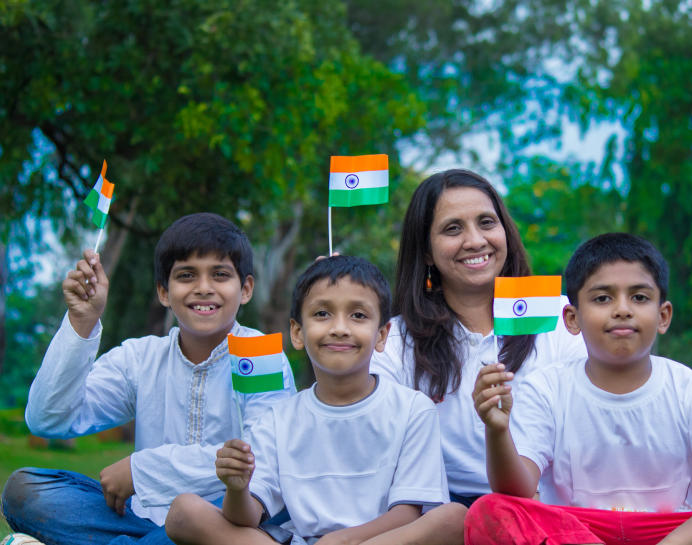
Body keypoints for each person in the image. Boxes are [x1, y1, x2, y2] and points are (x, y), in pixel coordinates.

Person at [466, 233, 692, 545]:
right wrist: (497, 431)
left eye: (638, 297)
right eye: (602, 299)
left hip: (679, 530)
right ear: (572, 319)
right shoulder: (547, 387)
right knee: (489, 512)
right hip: (578, 532)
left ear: (663, 315)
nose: (622, 310)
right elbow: (517, 491)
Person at [1, 213, 297, 545]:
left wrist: (143, 470)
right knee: (26, 490)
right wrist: (81, 322)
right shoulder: (140, 358)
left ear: (245, 289)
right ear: (164, 292)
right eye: (186, 275)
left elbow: (259, 459)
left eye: (219, 274)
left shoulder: (258, 354)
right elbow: (48, 420)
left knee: (203, 522)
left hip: (225, 520)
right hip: (142, 517)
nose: (203, 288)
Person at [364, 169, 586, 545]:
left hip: (548, 516)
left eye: (487, 222)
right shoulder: (394, 341)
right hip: (438, 524)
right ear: (426, 251)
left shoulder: (559, 318)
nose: (475, 240)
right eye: (452, 229)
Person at [164, 255, 448, 545]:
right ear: (298, 333)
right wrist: (237, 488)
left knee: (453, 517)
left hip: (377, 541)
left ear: (382, 334)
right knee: (184, 511)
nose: (340, 327)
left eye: (358, 315)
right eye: (322, 314)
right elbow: (247, 518)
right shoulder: (278, 419)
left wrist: (342, 541)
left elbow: (408, 514)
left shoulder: (413, 409)